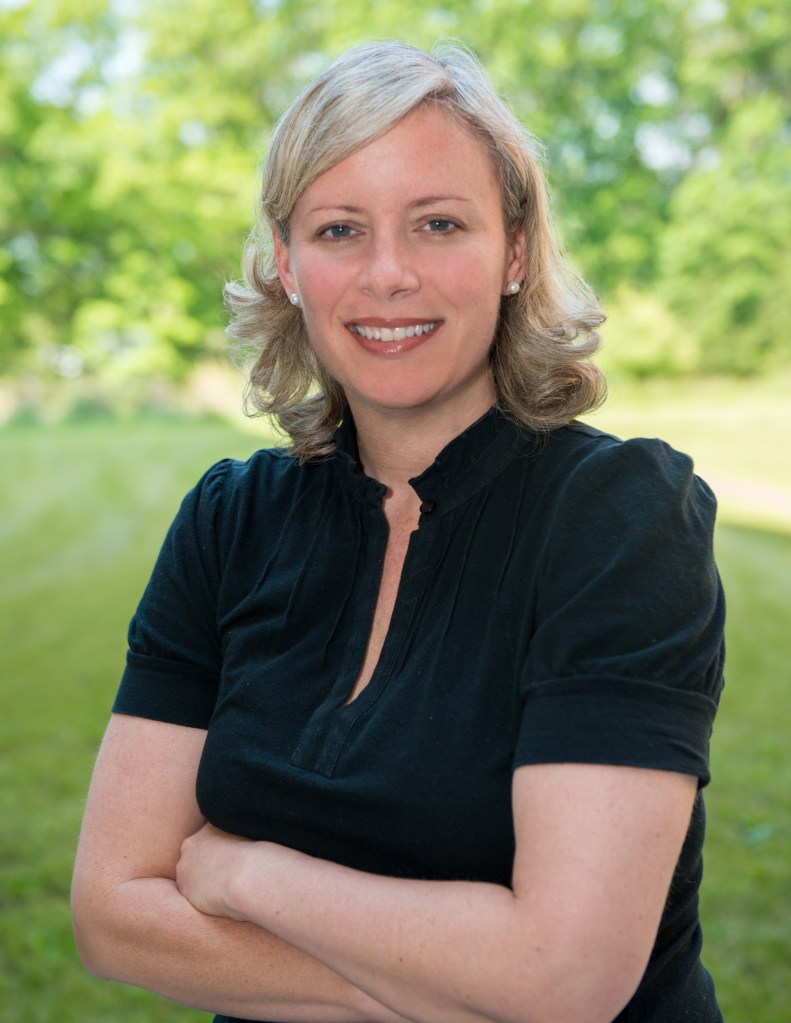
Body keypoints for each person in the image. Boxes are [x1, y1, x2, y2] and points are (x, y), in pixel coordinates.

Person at [71, 40, 725, 1023]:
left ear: (512, 251)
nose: (387, 275)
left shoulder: (620, 516)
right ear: (286, 265)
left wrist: (246, 876)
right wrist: (466, 983)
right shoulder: (229, 521)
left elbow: (565, 976)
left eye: (437, 223)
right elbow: (111, 915)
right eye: (338, 230)